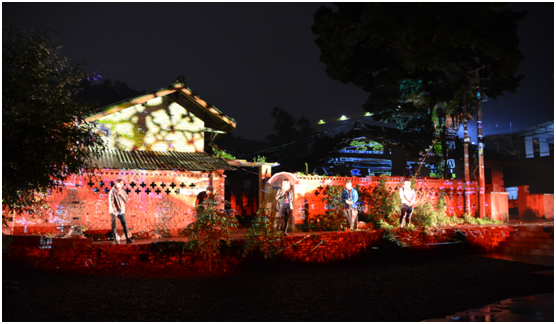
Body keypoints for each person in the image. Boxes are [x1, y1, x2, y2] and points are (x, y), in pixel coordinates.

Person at [109, 179, 134, 244]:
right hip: (114, 211)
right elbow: (111, 202)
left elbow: (126, 200)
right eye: (120, 183)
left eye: (122, 183)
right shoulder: (112, 191)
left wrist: (121, 195)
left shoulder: (123, 191)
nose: (122, 184)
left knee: (124, 224)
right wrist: (115, 211)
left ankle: (127, 239)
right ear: (117, 184)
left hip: (121, 211)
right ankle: (115, 240)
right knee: (114, 225)